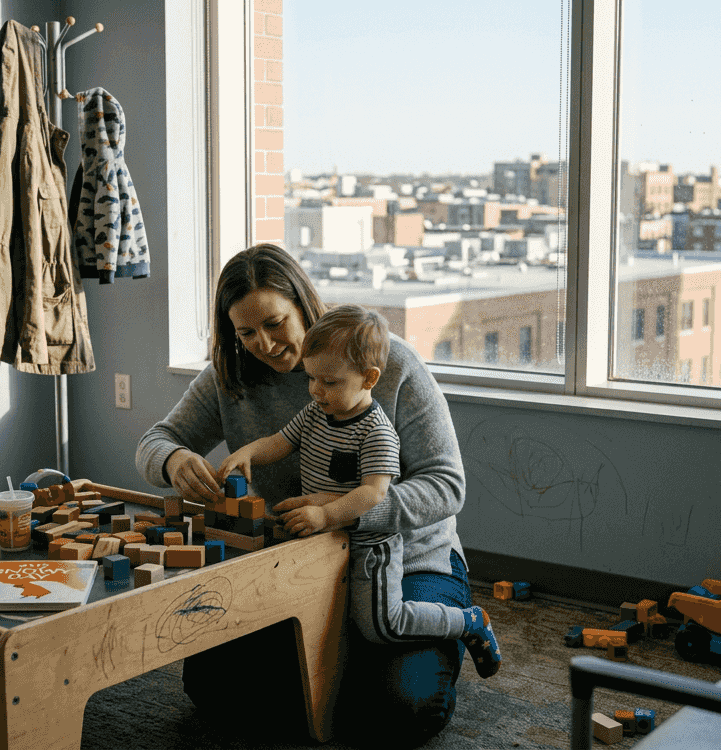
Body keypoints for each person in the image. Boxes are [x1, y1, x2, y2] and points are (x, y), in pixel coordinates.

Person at [136, 244, 473, 749]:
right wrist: (173, 460)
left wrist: (340, 514)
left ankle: (446, 631)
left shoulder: (388, 362)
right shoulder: (231, 375)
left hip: (408, 564)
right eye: (245, 332)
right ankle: (344, 658)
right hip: (294, 566)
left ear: (304, 304)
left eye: (275, 323)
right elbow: (155, 440)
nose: (264, 344)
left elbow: (446, 485)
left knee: (401, 709)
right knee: (212, 689)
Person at [216, 304, 500, 678]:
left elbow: (374, 495)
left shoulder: (377, 433)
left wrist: (326, 514)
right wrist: (250, 451)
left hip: (371, 547)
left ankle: (467, 622)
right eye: (311, 378)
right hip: (327, 541)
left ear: (368, 379)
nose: (316, 390)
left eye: (329, 382)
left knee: (383, 625)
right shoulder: (317, 411)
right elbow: (280, 441)